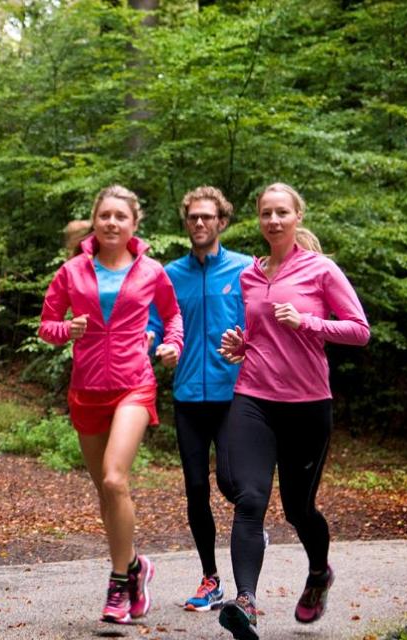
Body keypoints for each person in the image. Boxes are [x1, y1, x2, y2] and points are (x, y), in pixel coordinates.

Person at [215, 183, 370, 640]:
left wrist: (307, 323)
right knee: (250, 499)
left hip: (307, 404)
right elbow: (259, 333)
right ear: (259, 219)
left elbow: (360, 330)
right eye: (266, 213)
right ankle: (245, 602)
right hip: (255, 396)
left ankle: (319, 573)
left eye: (282, 212)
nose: (274, 220)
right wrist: (241, 346)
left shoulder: (321, 270)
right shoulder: (250, 274)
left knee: (299, 510)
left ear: (297, 216)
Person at [39, 185, 183, 625]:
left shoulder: (152, 271)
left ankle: (119, 583)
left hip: (133, 384)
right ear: (95, 221)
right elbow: (47, 325)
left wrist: (173, 343)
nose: (112, 223)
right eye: (105, 216)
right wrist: (69, 330)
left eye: (121, 216)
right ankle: (137, 566)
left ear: (134, 224)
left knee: (115, 479)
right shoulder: (71, 272)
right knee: (105, 490)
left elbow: (173, 315)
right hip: (86, 389)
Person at [147, 186, 251, 612]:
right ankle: (211, 578)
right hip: (188, 396)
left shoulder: (245, 270)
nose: (200, 224)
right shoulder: (170, 275)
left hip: (234, 395)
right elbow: (153, 323)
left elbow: (260, 324)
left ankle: (250, 526)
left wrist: (248, 343)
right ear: (186, 222)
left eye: (208, 217)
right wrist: (156, 345)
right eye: (193, 217)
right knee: (195, 488)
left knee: (231, 481)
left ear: (221, 222)